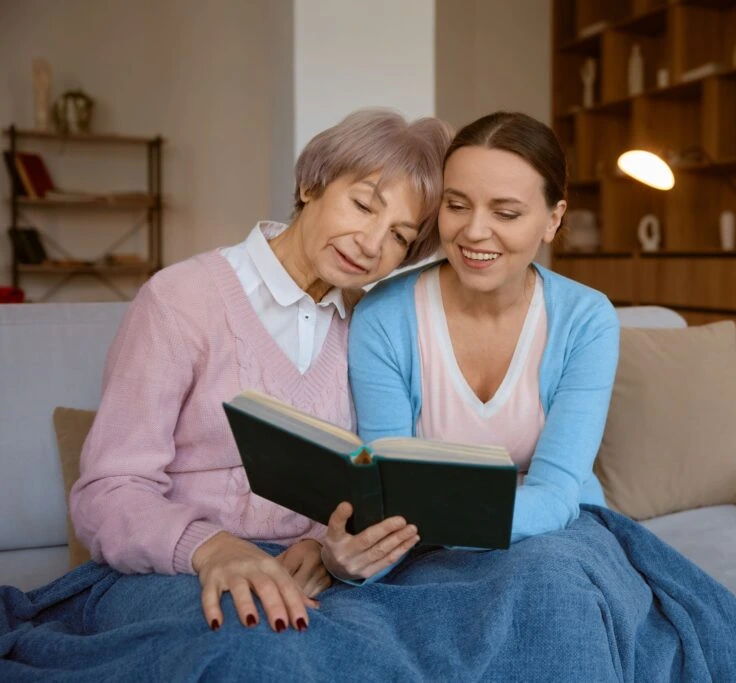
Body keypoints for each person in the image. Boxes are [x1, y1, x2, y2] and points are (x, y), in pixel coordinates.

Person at [68, 108, 451, 632]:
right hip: (172, 572)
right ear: (312, 184)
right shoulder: (181, 299)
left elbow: (372, 486)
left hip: (311, 584)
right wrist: (211, 546)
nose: (370, 243)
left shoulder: (371, 324)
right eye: (362, 205)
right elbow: (106, 494)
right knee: (258, 644)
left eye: (399, 236)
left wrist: (326, 549)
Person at [334, 111, 619, 579]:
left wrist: (431, 520)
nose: (474, 232)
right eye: (457, 205)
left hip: (560, 539)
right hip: (421, 550)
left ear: (553, 219)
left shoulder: (586, 320)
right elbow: (388, 486)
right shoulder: (385, 318)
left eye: (505, 213)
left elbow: (556, 495)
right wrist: (356, 561)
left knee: (554, 584)